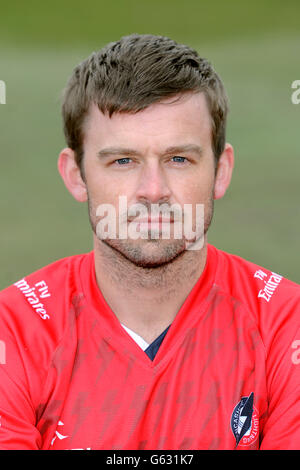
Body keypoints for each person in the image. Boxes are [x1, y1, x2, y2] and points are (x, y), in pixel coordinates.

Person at [0, 33, 299, 451]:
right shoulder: (13, 330)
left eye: (179, 159)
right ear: (75, 175)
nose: (153, 190)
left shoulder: (286, 326)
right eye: (123, 161)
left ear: (221, 170)